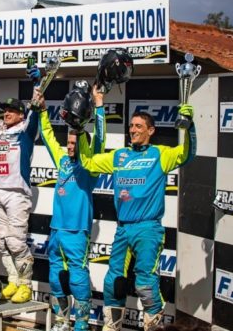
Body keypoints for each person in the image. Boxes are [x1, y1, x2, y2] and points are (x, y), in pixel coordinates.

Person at [78, 106, 196, 331]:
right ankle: (111, 327)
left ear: (151, 130)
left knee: (145, 284)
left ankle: (153, 328)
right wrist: (80, 131)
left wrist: (190, 127)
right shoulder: (119, 155)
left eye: (139, 126)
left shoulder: (161, 154)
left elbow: (187, 154)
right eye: (131, 126)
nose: (132, 130)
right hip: (123, 229)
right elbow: (88, 162)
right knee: (113, 282)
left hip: (148, 228)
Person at [35, 86, 105, 331]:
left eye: (74, 142)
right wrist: (43, 111)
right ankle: (62, 322)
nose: (70, 146)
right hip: (56, 229)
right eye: (69, 142)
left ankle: (81, 324)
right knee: (56, 278)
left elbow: (100, 140)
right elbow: (47, 136)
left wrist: (99, 107)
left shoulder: (90, 166)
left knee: (77, 278)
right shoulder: (63, 160)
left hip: (77, 230)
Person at [0, 84, 39, 303]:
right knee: (2, 242)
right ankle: (13, 281)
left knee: (16, 243)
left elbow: (36, 108)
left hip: (17, 194)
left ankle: (26, 285)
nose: (7, 113)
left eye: (12, 110)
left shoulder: (26, 131)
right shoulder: (0, 129)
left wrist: (37, 84)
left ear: (21, 115)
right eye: (5, 110)